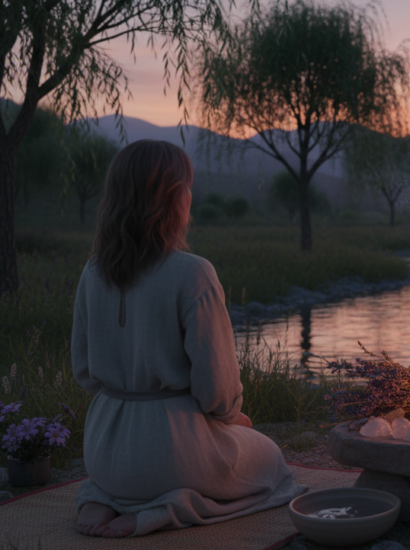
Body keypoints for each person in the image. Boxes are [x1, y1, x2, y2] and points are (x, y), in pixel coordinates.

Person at [70, 140, 306, 537]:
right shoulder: (193, 273)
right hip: (172, 453)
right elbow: (217, 391)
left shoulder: (93, 271)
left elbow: (84, 371)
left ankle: (103, 496)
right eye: (187, 187)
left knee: (129, 474)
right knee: (272, 463)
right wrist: (232, 419)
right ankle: (169, 508)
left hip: (103, 449)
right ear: (174, 199)